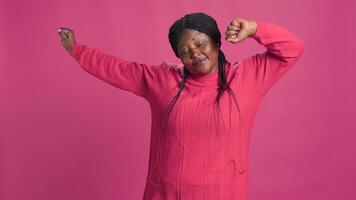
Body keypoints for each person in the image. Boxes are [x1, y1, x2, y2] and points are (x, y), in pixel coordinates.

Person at [58, 12, 304, 200]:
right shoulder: (163, 81)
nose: (195, 53)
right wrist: (77, 50)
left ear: (217, 42)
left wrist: (253, 28)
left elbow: (292, 49)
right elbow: (118, 69)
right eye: (184, 50)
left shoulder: (247, 77)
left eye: (199, 43)